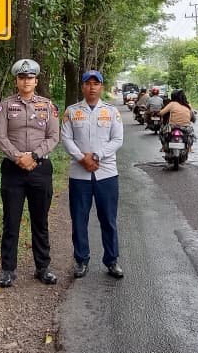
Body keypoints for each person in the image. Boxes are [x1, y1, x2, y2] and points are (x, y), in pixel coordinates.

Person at [0, 59, 60, 288]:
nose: (26, 81)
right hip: (13, 170)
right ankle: (8, 269)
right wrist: (19, 157)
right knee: (11, 221)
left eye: (30, 77)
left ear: (36, 81)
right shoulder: (5, 105)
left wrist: (35, 156)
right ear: (17, 81)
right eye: (22, 77)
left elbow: (53, 137)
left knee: (40, 221)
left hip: (40, 169)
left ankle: (43, 267)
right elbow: (0, 137)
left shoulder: (47, 106)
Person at [61, 69, 125, 279]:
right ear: (82, 87)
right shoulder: (71, 111)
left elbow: (117, 140)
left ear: (101, 87)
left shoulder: (111, 111)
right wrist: (82, 158)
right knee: (79, 219)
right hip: (79, 176)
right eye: (88, 83)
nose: (92, 87)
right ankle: (81, 260)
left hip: (106, 174)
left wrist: (96, 156)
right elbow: (66, 139)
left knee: (108, 219)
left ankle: (111, 260)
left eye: (95, 83)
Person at [158, 89, 196, 154]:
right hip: (185, 127)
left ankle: (163, 147)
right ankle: (189, 148)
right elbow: (192, 117)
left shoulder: (172, 104)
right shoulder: (188, 105)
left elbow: (161, 113)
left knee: (162, 132)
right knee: (191, 134)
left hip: (172, 126)